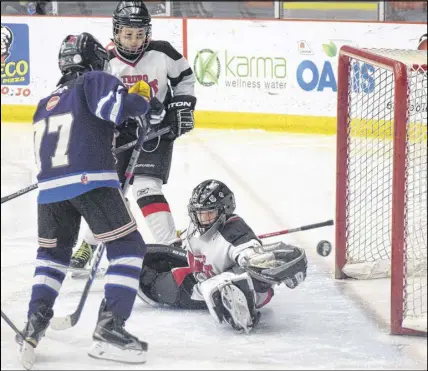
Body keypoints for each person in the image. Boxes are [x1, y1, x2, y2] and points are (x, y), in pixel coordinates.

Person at [16, 32, 166, 366]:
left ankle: (34, 322)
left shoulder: (45, 103)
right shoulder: (94, 80)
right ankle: (110, 329)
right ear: (94, 59)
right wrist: (140, 97)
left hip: (50, 192)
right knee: (128, 247)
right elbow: (117, 108)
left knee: (52, 257)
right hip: (90, 181)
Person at [70, 0, 197, 270]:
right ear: (116, 31)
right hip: (120, 136)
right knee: (109, 193)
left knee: (146, 187)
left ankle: (171, 247)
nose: (134, 40)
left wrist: (181, 106)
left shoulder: (163, 52)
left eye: (140, 34)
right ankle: (90, 243)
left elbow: (185, 78)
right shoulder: (105, 61)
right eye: (128, 34)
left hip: (156, 134)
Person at [137, 180, 308, 333]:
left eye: (209, 213)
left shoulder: (235, 232)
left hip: (238, 286)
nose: (203, 220)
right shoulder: (194, 227)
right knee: (154, 279)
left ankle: (242, 308)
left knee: (230, 283)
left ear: (224, 210)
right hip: (201, 283)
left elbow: (249, 253)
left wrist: (259, 261)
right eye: (199, 214)